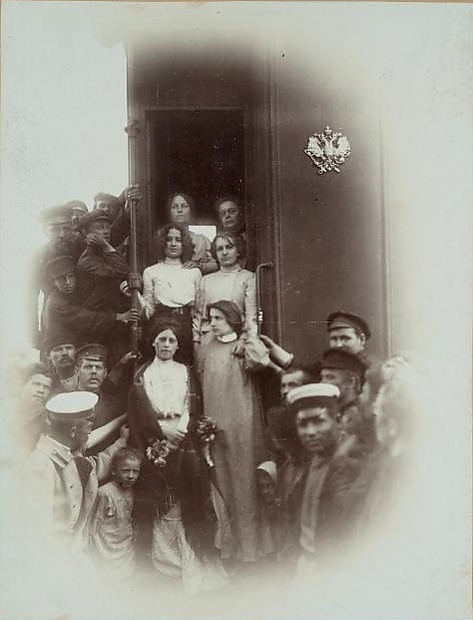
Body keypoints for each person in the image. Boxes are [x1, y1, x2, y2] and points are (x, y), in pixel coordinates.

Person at [127, 317, 227, 594]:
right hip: (155, 441)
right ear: (153, 343)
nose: (167, 344)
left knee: (189, 500)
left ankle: (194, 565)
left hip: (184, 439)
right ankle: (166, 565)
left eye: (171, 340)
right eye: (162, 339)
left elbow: (191, 406)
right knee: (161, 502)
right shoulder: (142, 375)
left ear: (177, 344)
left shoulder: (186, 372)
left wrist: (181, 431)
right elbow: (139, 413)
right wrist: (159, 437)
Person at [196, 300, 270, 564]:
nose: (213, 323)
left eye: (219, 318)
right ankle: (230, 549)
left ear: (231, 320)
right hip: (215, 425)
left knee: (245, 482)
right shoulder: (205, 350)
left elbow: (262, 362)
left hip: (242, 423)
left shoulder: (243, 346)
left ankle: (252, 549)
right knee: (223, 484)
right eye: (210, 318)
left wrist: (247, 338)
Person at [287, 384, 363, 574]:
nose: (310, 432)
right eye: (303, 424)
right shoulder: (306, 467)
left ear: (338, 421)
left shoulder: (352, 464)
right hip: (306, 566)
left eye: (318, 421)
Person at [42, 255, 136, 349]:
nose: (68, 282)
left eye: (71, 276)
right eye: (61, 278)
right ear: (53, 282)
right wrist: (118, 316)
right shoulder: (56, 302)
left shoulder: (69, 295)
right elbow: (85, 318)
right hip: (59, 349)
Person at [76, 209, 132, 366]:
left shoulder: (103, 254)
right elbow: (122, 270)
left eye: (107, 227)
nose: (106, 231)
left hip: (111, 325)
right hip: (96, 328)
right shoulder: (87, 261)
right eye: (99, 228)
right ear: (86, 233)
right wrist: (106, 246)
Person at [140, 223, 201, 365]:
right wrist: (135, 295)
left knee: (184, 366)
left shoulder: (194, 272)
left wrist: (196, 338)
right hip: (159, 323)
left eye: (178, 240)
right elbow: (148, 308)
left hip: (185, 324)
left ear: (184, 243)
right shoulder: (151, 271)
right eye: (168, 239)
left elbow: (198, 310)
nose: (173, 244)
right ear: (162, 243)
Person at [27, 204, 86, 349]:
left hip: (87, 318)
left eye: (66, 228)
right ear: (45, 231)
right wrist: (34, 335)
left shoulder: (82, 248)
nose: (61, 234)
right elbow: (30, 298)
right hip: (55, 323)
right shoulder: (38, 257)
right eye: (55, 229)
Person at [193, 232, 257, 347]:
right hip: (209, 341)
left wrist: (246, 339)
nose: (224, 252)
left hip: (237, 341)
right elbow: (198, 315)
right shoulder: (206, 280)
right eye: (219, 249)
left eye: (229, 247)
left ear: (238, 251)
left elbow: (251, 315)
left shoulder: (248, 278)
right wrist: (196, 342)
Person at [88, 447, 143, 581]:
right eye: (125, 471)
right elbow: (92, 526)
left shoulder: (134, 492)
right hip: (105, 550)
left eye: (135, 471)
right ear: (113, 471)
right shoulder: (104, 493)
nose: (131, 476)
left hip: (126, 550)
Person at [75, 343, 133, 454]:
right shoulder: (66, 403)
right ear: (77, 371)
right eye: (88, 367)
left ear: (105, 373)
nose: (94, 371)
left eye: (98, 368)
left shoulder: (117, 407)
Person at [4, 363, 53, 463]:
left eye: (46, 387)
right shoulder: (5, 409)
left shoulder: (48, 419)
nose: (41, 390)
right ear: (24, 385)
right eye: (36, 384)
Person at [266, 368, 313, 467]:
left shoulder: (314, 417)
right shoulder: (276, 418)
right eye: (283, 386)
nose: (285, 391)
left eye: (292, 385)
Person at [167, 192, 218, 275]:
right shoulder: (163, 239)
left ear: (191, 210)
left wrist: (199, 266)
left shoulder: (201, 240)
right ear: (169, 212)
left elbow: (216, 264)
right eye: (174, 207)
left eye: (184, 206)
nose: (179, 210)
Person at [45, 326, 79, 393]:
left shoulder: (85, 378)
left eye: (69, 348)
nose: (65, 353)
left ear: (75, 351)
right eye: (58, 349)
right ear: (48, 356)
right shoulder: (46, 381)